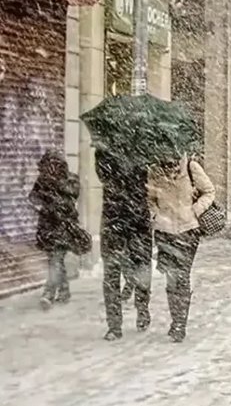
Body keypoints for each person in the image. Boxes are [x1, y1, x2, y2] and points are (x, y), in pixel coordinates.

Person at [147, 153, 216, 342]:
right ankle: (175, 318)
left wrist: (194, 210)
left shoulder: (191, 167)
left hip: (188, 231)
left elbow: (209, 191)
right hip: (165, 231)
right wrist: (155, 215)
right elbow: (150, 199)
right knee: (171, 278)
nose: (169, 166)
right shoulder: (154, 171)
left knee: (182, 276)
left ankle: (180, 324)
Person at [96, 146, 153, 340]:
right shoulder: (105, 151)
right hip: (115, 222)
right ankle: (114, 324)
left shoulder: (146, 150)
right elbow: (103, 175)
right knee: (112, 274)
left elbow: (151, 181)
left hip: (136, 222)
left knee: (141, 267)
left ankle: (142, 308)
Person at [30, 150, 80, 311]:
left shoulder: (71, 179)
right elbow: (33, 197)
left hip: (64, 227)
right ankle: (64, 291)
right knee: (55, 260)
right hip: (48, 227)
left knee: (55, 260)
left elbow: (72, 197)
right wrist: (42, 193)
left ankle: (48, 293)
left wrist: (54, 191)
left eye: (54, 164)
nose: (51, 168)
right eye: (48, 164)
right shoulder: (43, 180)